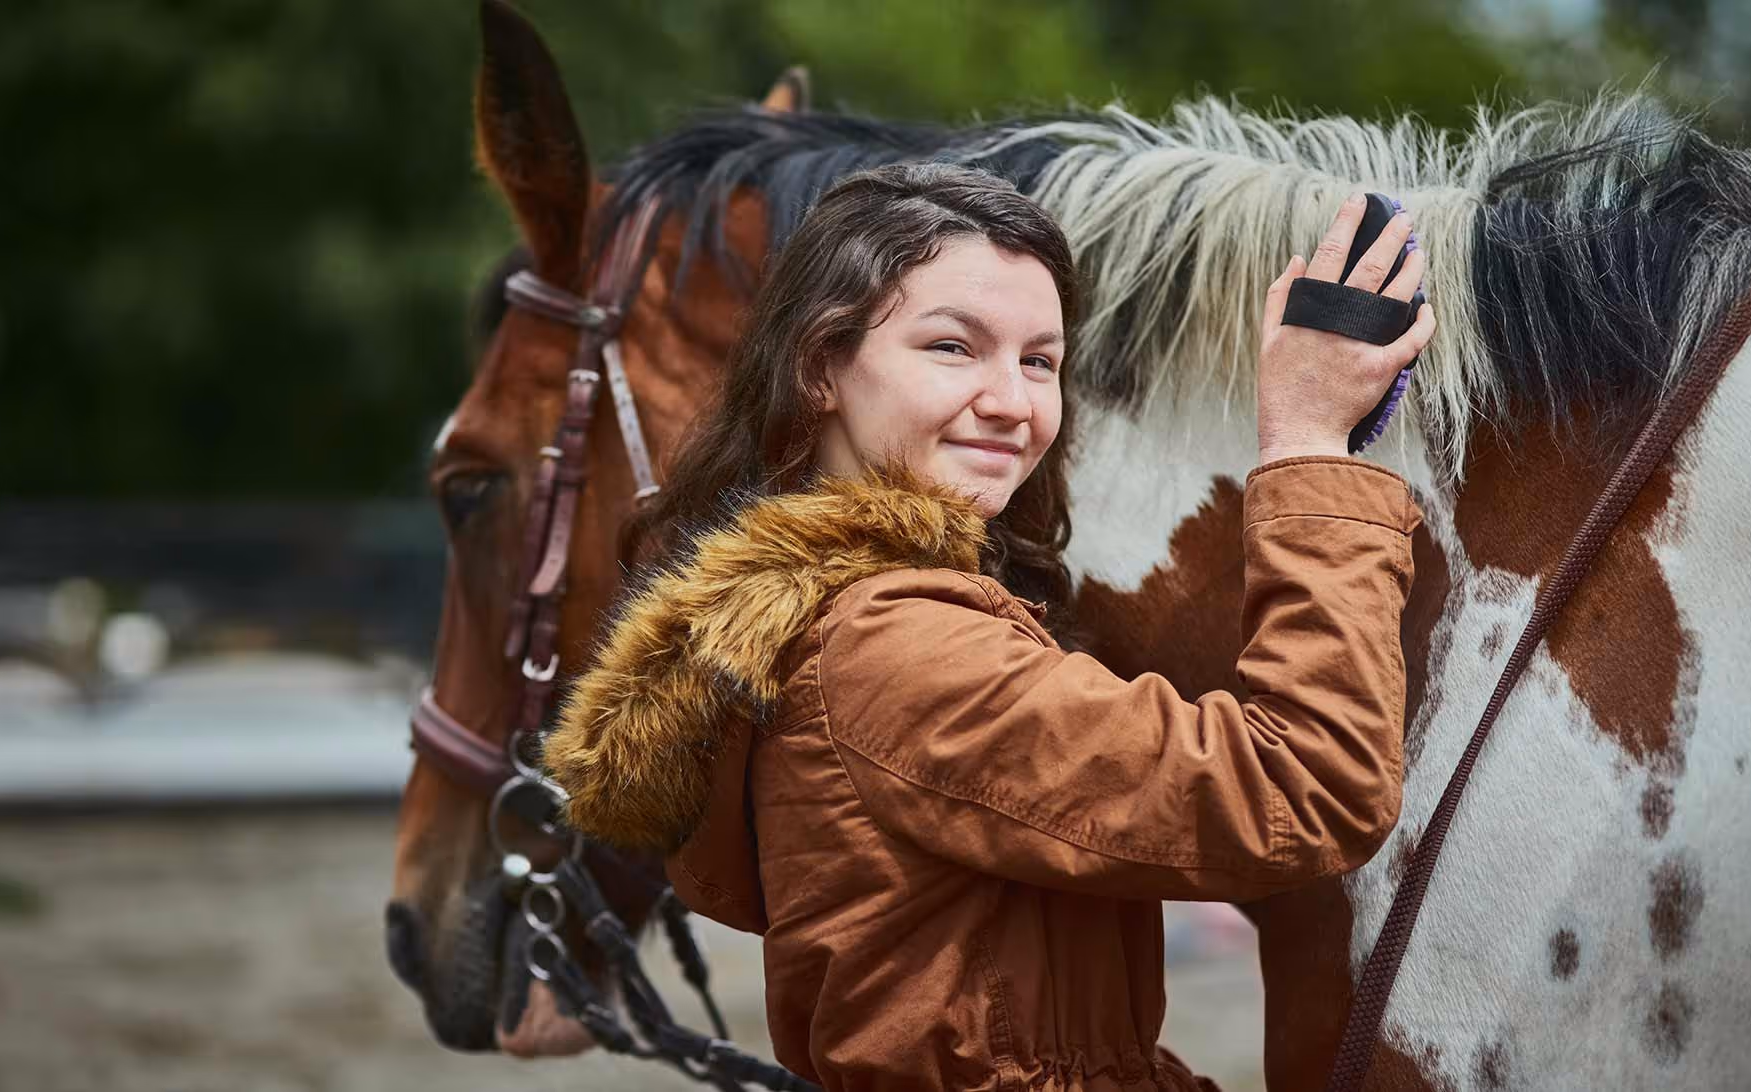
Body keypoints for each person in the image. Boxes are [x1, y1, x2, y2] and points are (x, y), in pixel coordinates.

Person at [544, 163, 1435, 1091]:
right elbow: (1303, 787)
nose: (1013, 402)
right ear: (819, 369)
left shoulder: (839, 621)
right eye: (952, 348)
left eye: (1039, 361)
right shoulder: (895, 647)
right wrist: (1305, 444)